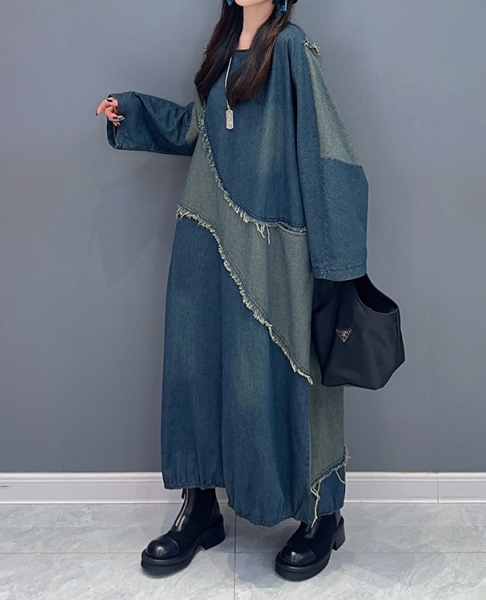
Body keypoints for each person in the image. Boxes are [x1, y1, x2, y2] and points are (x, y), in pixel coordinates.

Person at [96, 0, 368, 582]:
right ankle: (199, 509)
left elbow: (328, 150)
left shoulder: (290, 48)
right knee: (195, 366)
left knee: (290, 373)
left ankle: (322, 513)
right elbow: (196, 128)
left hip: (275, 247)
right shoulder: (219, 50)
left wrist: (337, 261)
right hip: (206, 236)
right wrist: (131, 112)